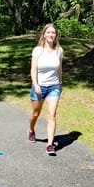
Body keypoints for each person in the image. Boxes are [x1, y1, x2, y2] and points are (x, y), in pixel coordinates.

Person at [27, 23, 63, 154]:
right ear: (44, 34)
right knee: (35, 113)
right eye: (48, 32)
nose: (51, 35)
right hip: (39, 86)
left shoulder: (59, 51)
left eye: (53, 33)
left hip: (54, 86)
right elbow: (33, 69)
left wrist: (60, 83)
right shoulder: (38, 50)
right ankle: (31, 129)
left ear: (56, 35)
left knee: (52, 115)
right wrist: (35, 84)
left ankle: (50, 144)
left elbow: (59, 69)